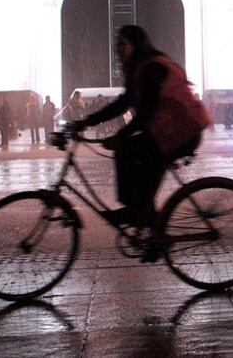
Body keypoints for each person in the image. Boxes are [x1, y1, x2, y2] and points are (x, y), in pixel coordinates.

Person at [73, 25, 211, 238]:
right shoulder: (141, 68)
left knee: (127, 149)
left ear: (135, 45)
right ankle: (147, 221)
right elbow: (124, 103)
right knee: (137, 161)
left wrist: (120, 135)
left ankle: (135, 211)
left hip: (183, 131)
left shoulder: (151, 68)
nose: (117, 49)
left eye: (122, 44)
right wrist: (87, 121)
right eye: (117, 44)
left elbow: (146, 113)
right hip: (170, 131)